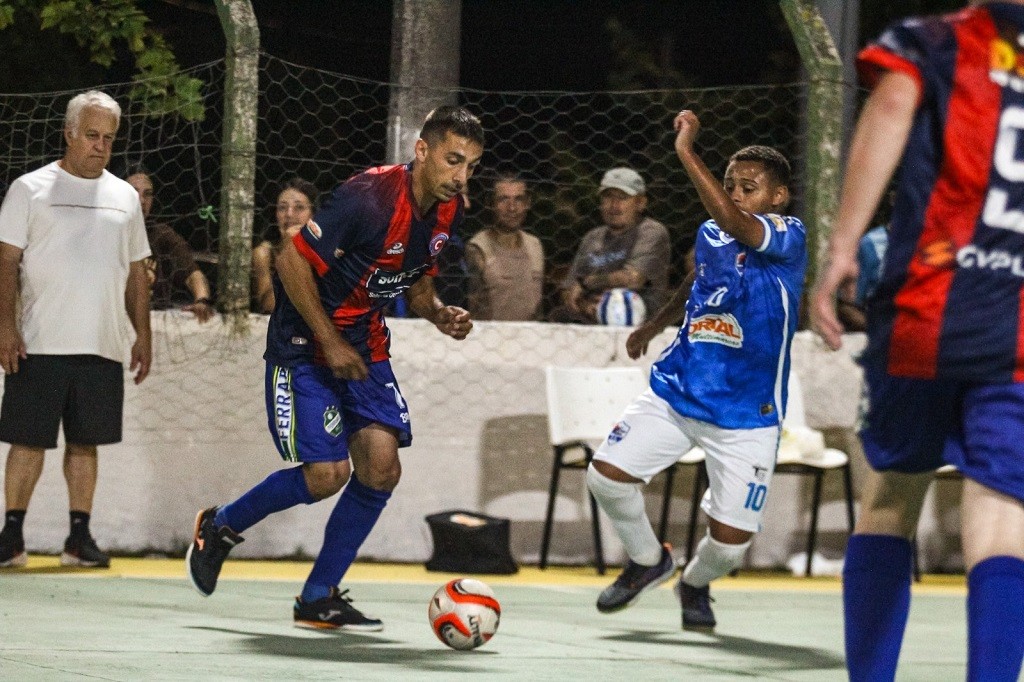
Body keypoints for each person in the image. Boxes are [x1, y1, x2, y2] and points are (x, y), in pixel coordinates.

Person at [185, 105, 483, 631]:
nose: (460, 177)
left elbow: (415, 277)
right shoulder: (368, 196)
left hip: (363, 342)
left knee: (381, 468)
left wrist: (437, 313)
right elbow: (289, 261)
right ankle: (220, 525)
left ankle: (318, 596)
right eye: (453, 161)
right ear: (422, 151)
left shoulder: (448, 209)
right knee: (327, 475)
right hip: (304, 339)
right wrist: (329, 340)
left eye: (471, 166)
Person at [810, 4, 1024, 680]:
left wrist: (843, 247)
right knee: (1000, 512)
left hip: (928, 308)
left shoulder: (941, 39)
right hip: (1016, 320)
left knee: (895, 493)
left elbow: (891, 106)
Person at [587, 111, 805, 632]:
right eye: (728, 185)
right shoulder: (713, 232)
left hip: (746, 414)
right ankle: (647, 560)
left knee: (730, 544)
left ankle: (696, 580)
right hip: (680, 388)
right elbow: (697, 280)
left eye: (747, 188)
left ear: (778, 197)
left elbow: (735, 222)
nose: (732, 194)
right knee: (607, 478)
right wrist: (655, 325)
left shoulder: (788, 236)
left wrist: (686, 150)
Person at [0, 90, 152, 568]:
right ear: (68, 133)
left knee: (86, 442)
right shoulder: (30, 189)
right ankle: (12, 536)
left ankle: (78, 539)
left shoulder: (125, 197)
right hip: (38, 340)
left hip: (103, 343)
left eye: (108, 138)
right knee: (28, 442)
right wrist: (5, 326)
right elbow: (6, 265)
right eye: (91, 135)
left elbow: (136, 271)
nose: (100, 146)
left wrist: (142, 335)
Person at [550, 167, 670, 324]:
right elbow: (568, 290)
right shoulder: (592, 238)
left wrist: (586, 283)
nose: (614, 205)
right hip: (593, 326)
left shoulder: (651, 232)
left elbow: (633, 279)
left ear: (641, 203)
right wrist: (584, 305)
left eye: (623, 197)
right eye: (608, 197)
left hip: (639, 329)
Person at [125, 166, 214, 322]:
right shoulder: (106, 232)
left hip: (154, 318)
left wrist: (202, 299)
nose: (141, 201)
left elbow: (192, 273)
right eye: (133, 193)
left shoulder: (161, 235)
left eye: (148, 194)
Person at [465, 173, 545, 320]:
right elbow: (473, 305)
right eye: (503, 199)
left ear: (528, 203)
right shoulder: (478, 248)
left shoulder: (535, 246)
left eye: (519, 199)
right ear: (490, 203)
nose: (512, 208)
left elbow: (538, 307)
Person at [252, 178, 317, 314]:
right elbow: (270, 305)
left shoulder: (328, 250)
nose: (289, 214)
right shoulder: (264, 253)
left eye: (299, 207)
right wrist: (287, 252)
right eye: (282, 208)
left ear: (313, 214)